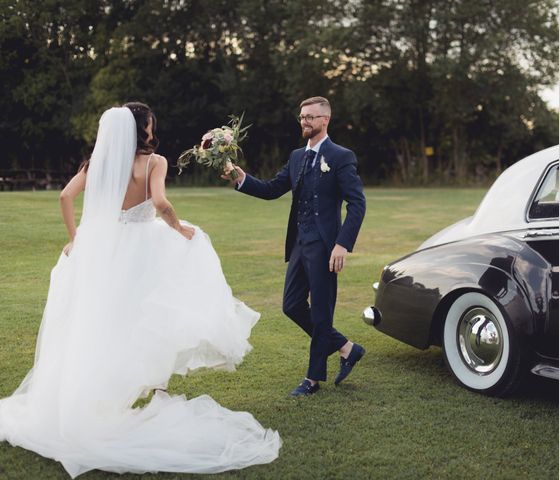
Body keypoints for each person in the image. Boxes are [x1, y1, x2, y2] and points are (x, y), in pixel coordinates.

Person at [0, 103, 280, 477]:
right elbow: (161, 202)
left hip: (105, 249)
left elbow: (65, 197)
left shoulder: (97, 162)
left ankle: (100, 395)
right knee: (155, 314)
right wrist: (179, 230)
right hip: (145, 250)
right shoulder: (154, 162)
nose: (153, 127)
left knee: (104, 320)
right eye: (150, 123)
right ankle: (157, 389)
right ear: (142, 128)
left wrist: (76, 240)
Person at [223, 96, 366, 397]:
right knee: (291, 306)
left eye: (311, 117)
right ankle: (346, 347)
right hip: (300, 244)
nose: (305, 121)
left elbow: (357, 203)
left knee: (322, 313)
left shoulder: (342, 156)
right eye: (302, 117)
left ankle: (312, 380)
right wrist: (240, 178)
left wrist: (342, 244)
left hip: (326, 247)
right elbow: (272, 189)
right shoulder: (297, 156)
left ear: (325, 120)